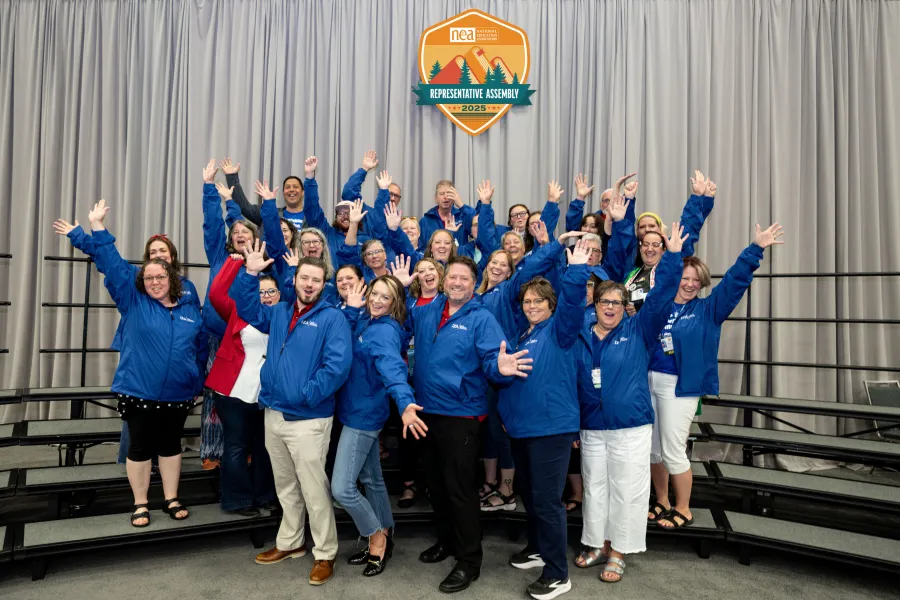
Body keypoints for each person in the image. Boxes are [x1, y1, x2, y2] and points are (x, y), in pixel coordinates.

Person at [392, 255, 531, 593]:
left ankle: (469, 560)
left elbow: (494, 360)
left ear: (473, 283)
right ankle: (447, 541)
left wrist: (501, 369)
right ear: (443, 280)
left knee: (460, 490)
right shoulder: (427, 311)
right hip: (426, 412)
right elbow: (398, 324)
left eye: (464, 279)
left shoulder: (481, 318)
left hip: (461, 416)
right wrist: (399, 287)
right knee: (436, 486)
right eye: (452, 277)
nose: (456, 282)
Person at [231, 240, 352, 586]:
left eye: (316, 280)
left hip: (309, 418)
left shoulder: (332, 318)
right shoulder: (280, 311)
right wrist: (250, 273)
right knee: (285, 485)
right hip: (273, 413)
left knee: (314, 489)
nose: (310, 285)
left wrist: (306, 395)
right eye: (305, 278)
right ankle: (291, 542)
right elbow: (246, 306)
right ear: (295, 280)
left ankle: (325, 552)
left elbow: (337, 367)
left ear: (324, 285)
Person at [573, 222, 688, 583]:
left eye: (617, 302)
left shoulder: (640, 329)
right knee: (595, 488)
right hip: (592, 427)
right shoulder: (581, 334)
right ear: (595, 304)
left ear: (626, 307)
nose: (610, 307)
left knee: (627, 489)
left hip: (631, 426)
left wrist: (672, 256)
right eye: (604, 301)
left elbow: (662, 293)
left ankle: (619, 550)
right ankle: (598, 543)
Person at [650, 224, 785, 529]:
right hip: (649, 381)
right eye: (685, 278)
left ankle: (683, 508)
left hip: (680, 388)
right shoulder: (659, 306)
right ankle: (662, 500)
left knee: (673, 449)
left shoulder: (709, 309)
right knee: (654, 449)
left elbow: (735, 282)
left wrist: (755, 249)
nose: (690, 284)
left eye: (696, 280)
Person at [83, 199, 207, 526]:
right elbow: (112, 265)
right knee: (138, 447)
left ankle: (171, 497)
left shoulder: (189, 307)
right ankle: (140, 503)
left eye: (160, 277)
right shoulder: (133, 300)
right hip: (139, 391)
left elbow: (199, 348)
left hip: (179, 394)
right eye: (148, 277)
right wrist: (98, 227)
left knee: (170, 446)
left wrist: (196, 383)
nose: (154, 281)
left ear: (172, 278)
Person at [53, 222, 204, 466]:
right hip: (141, 363)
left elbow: (197, 331)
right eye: (153, 252)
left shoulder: (188, 288)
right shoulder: (135, 281)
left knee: (168, 438)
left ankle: (160, 469)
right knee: (136, 432)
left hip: (175, 375)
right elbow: (109, 261)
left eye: (163, 251)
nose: (158, 255)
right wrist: (81, 235)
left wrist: (195, 376)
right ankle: (131, 470)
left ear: (173, 256)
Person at [499, 240, 594, 600]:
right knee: (531, 495)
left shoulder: (560, 330)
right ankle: (538, 549)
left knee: (546, 501)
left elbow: (573, 304)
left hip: (551, 430)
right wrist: (507, 416)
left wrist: (577, 270)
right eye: (528, 301)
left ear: (551, 305)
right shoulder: (521, 335)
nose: (533, 305)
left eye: (539, 301)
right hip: (522, 429)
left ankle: (557, 574)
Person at [332, 276, 428, 577]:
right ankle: (386, 529)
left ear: (394, 303)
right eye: (374, 293)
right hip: (354, 410)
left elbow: (394, 371)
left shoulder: (385, 331)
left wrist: (405, 403)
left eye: (385, 297)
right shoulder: (365, 320)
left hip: (363, 417)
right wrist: (352, 309)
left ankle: (376, 536)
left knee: (342, 489)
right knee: (371, 479)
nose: (376, 300)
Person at [204, 254, 279, 516]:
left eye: (271, 291)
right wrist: (237, 265)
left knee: (265, 447)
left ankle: (265, 496)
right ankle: (238, 500)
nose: (266, 296)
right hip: (233, 391)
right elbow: (215, 293)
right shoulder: (237, 312)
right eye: (261, 292)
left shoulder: (284, 317)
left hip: (266, 395)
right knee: (236, 446)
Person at [203, 160, 261, 469]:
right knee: (216, 397)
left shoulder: (259, 262)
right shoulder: (219, 255)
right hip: (218, 337)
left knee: (247, 398)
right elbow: (212, 225)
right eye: (235, 231)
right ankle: (212, 451)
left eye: (245, 231)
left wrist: (233, 208)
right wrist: (210, 189)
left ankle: (245, 449)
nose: (239, 234)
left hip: (248, 341)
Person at [222, 157, 306, 230]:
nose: (291, 190)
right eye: (287, 187)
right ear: (283, 193)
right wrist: (231, 177)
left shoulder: (311, 216)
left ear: (303, 192)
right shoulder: (269, 214)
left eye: (295, 187)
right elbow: (245, 208)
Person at [418, 180, 475, 249]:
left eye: (449, 194)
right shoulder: (425, 221)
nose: (446, 197)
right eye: (442, 194)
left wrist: (461, 205)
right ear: (436, 198)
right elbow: (421, 248)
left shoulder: (462, 216)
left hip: (459, 255)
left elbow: (479, 231)